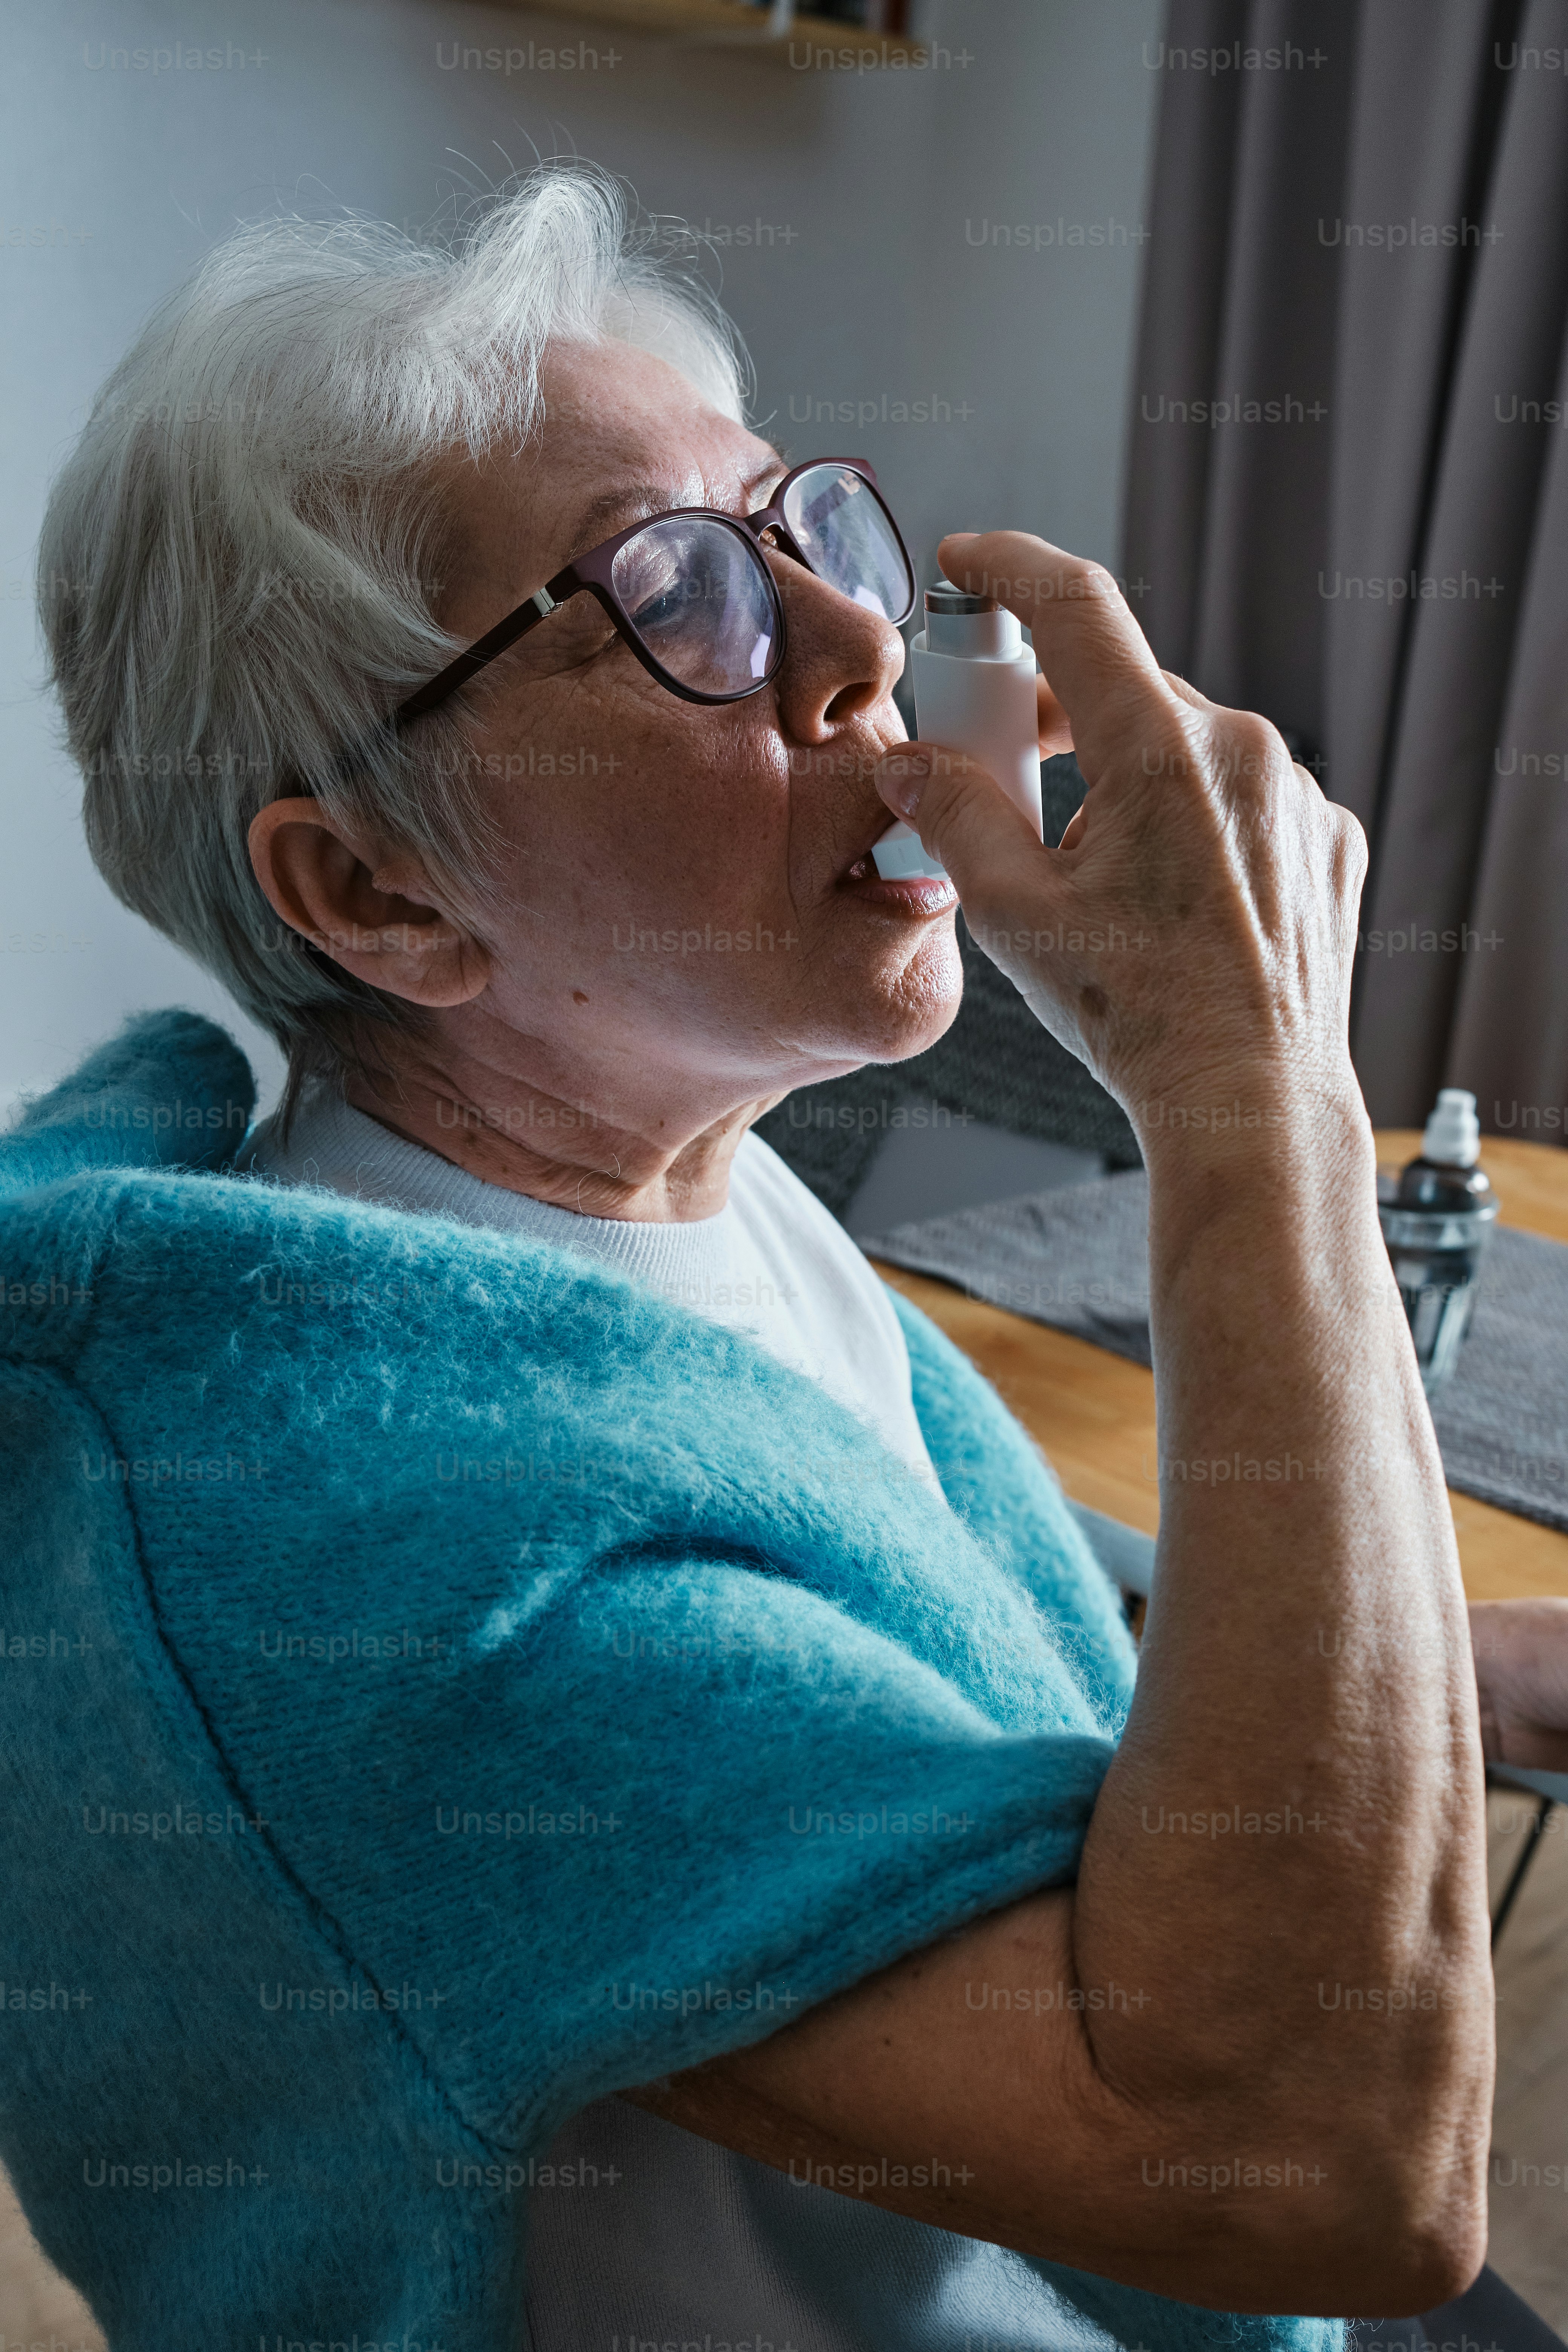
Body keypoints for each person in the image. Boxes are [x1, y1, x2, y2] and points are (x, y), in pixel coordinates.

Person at [11, 161, 1568, 2350]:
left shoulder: (678, 1210)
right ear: (376, 892)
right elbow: (1319, 2155)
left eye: (806, 531)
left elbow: (892, 1681)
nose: (862, 646)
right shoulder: (383, 1539)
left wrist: (1449, 1669)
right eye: (679, 598)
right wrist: (1256, 1095)